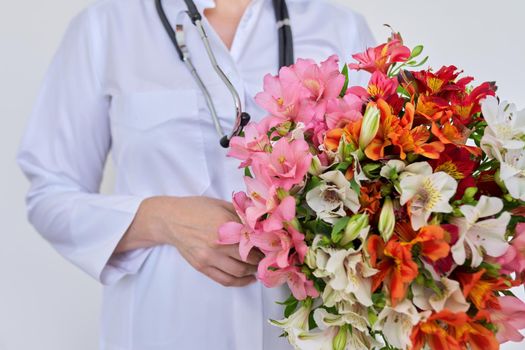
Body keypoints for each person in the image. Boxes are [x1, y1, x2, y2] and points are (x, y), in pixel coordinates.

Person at [17, 0, 374, 349]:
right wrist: (160, 217)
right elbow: (50, 194)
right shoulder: (106, 26)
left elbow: (378, 183)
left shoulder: (339, 28)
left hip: (309, 334)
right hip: (162, 328)